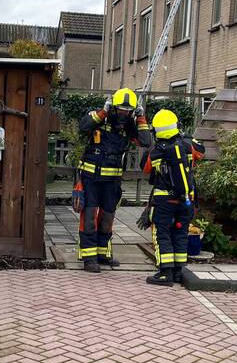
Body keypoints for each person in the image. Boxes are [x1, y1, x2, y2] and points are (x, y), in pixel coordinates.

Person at [75, 88, 152, 272]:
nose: (124, 114)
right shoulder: (100, 117)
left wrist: (141, 118)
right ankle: (89, 258)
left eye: (128, 110)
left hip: (112, 181)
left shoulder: (130, 125)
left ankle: (103, 254)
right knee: (90, 218)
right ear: (114, 107)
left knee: (107, 217)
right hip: (91, 178)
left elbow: (145, 141)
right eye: (121, 109)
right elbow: (84, 126)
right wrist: (103, 112)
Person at [142, 109, 205, 286]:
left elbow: (146, 168)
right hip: (186, 200)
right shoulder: (187, 144)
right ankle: (178, 272)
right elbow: (202, 152)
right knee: (180, 233)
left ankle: (164, 273)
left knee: (162, 233)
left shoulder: (157, 150)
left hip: (164, 200)